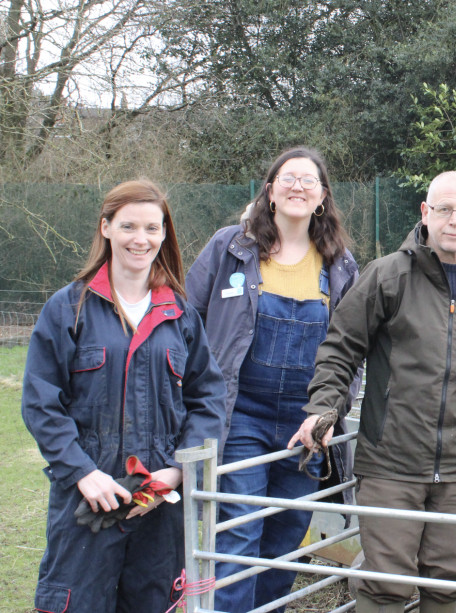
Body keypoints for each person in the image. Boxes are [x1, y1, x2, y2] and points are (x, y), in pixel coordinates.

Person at [288, 170, 456, 613]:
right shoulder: (387, 277)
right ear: (425, 213)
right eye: (444, 209)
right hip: (391, 464)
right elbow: (341, 349)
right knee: (386, 585)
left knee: (450, 586)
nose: (454, 220)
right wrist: (325, 407)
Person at [21, 179, 226, 612]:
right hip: (86, 501)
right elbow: (42, 401)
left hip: (160, 506)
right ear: (106, 228)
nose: (141, 238)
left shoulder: (181, 315)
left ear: (164, 234)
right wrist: (82, 472)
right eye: (129, 226)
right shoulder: (67, 308)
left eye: (152, 228)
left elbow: (207, 399)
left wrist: (176, 472)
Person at [185, 147, 360, 613]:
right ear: (271, 191)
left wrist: (329, 413)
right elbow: (187, 322)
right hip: (241, 415)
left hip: (305, 426)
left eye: (309, 180)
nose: (298, 186)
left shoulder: (340, 266)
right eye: (288, 178)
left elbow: (352, 353)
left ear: (322, 196)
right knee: (239, 530)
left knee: (285, 537)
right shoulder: (231, 249)